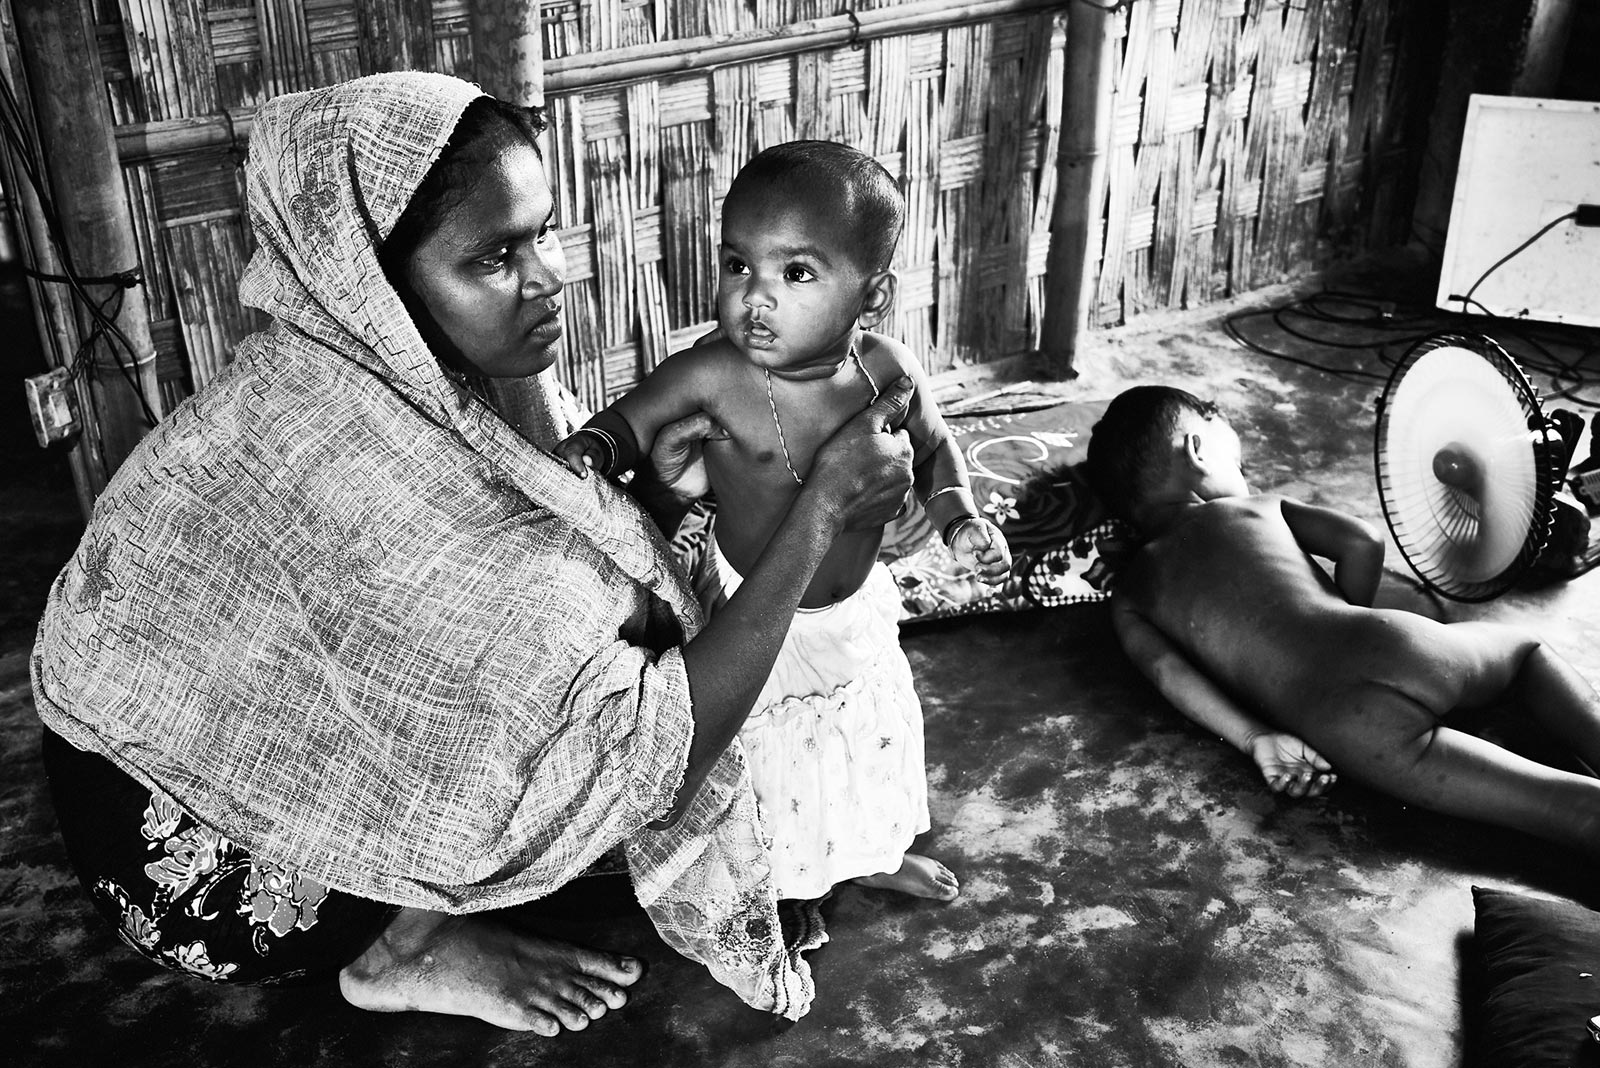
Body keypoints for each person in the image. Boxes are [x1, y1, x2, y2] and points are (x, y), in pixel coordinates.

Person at [30, 72, 921, 1034]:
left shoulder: (431, 380)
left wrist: (662, 494)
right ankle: (394, 949)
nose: (547, 278)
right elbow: (646, 742)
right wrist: (818, 515)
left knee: (627, 619)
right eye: (497, 256)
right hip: (209, 866)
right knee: (624, 697)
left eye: (541, 234)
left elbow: (587, 559)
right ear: (372, 282)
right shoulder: (330, 444)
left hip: (210, 767)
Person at [554, 140, 1012, 903]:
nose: (754, 297)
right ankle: (772, 884)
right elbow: (631, 422)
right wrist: (593, 449)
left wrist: (960, 519)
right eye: (739, 266)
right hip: (755, 607)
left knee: (860, 734)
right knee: (767, 759)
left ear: (872, 296)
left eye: (795, 274)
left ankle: (870, 853)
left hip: (854, 604)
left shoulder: (887, 371)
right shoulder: (714, 373)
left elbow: (935, 450)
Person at [1085, 385, 1600, 853]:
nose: (1247, 480)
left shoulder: (1132, 595)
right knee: (1524, 655)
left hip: (1343, 732)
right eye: (1240, 467)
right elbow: (1362, 541)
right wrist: (1349, 620)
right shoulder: (1254, 510)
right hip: (1392, 646)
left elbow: (1171, 677)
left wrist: (1256, 738)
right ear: (1198, 451)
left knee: (1562, 809)